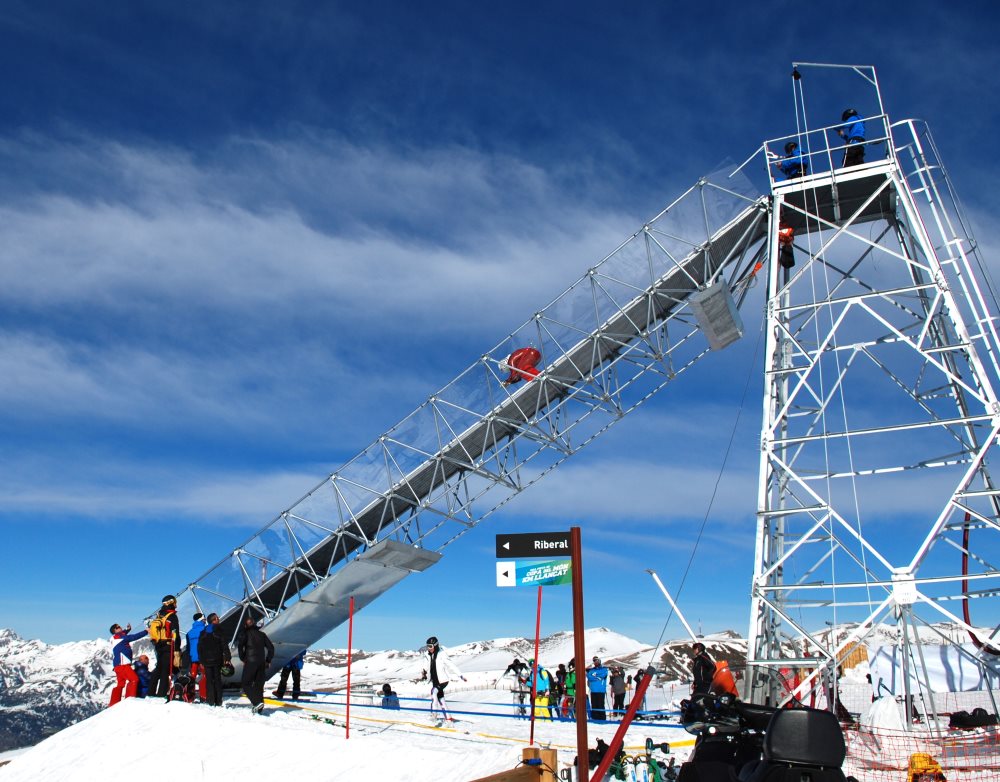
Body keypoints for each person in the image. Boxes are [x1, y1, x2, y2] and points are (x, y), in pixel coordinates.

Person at [237, 615, 274, 714]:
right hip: (261, 662)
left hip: (250, 661)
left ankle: (257, 703)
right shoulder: (262, 634)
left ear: (246, 625)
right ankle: (259, 709)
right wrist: (268, 660)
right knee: (259, 685)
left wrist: (243, 658)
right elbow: (271, 648)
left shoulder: (245, 634)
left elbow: (240, 647)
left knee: (246, 683)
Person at [148, 595, 182, 699]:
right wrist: (177, 648)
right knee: (165, 670)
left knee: (158, 668)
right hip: (168, 645)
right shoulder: (172, 616)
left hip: (159, 645)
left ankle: (151, 692)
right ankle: (161, 694)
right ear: (172, 603)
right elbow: (175, 633)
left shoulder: (160, 615)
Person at [425, 636, 464, 722]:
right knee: (440, 698)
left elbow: (451, 665)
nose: (429, 648)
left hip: (443, 680)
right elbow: (429, 668)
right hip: (435, 681)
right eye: (427, 646)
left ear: (435, 645)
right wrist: (426, 675)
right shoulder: (428, 655)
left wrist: (460, 675)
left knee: (433, 692)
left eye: (430, 646)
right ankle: (448, 718)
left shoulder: (441, 654)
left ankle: (434, 714)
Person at [108, 622, 148, 706]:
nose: (120, 627)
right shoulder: (120, 637)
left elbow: (123, 634)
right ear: (115, 630)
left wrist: (127, 630)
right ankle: (130, 700)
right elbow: (133, 637)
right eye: (118, 627)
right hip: (123, 665)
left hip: (117, 666)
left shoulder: (113, 638)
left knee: (120, 684)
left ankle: (113, 703)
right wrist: (146, 631)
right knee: (134, 679)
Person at [197, 612, 231, 707]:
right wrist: (227, 657)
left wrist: (201, 660)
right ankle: (218, 701)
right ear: (214, 620)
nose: (219, 619)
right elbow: (224, 645)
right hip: (217, 659)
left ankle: (210, 700)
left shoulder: (203, 632)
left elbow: (199, 648)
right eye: (217, 618)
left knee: (209, 680)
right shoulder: (219, 630)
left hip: (206, 661)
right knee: (217, 680)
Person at [186, 612, 208, 702]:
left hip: (193, 658)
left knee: (192, 677)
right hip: (204, 657)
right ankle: (204, 696)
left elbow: (188, 647)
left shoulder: (189, 633)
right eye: (204, 618)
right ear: (201, 619)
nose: (205, 620)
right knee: (205, 676)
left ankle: (189, 696)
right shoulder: (206, 630)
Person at [586, 656, 609, 720]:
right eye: (594, 661)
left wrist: (594, 677)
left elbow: (603, 675)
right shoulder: (592, 670)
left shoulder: (604, 669)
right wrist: (597, 678)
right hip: (593, 690)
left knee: (600, 705)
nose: (595, 662)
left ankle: (602, 718)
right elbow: (589, 677)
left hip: (600, 690)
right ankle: (595, 718)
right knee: (594, 705)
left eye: (596, 661)